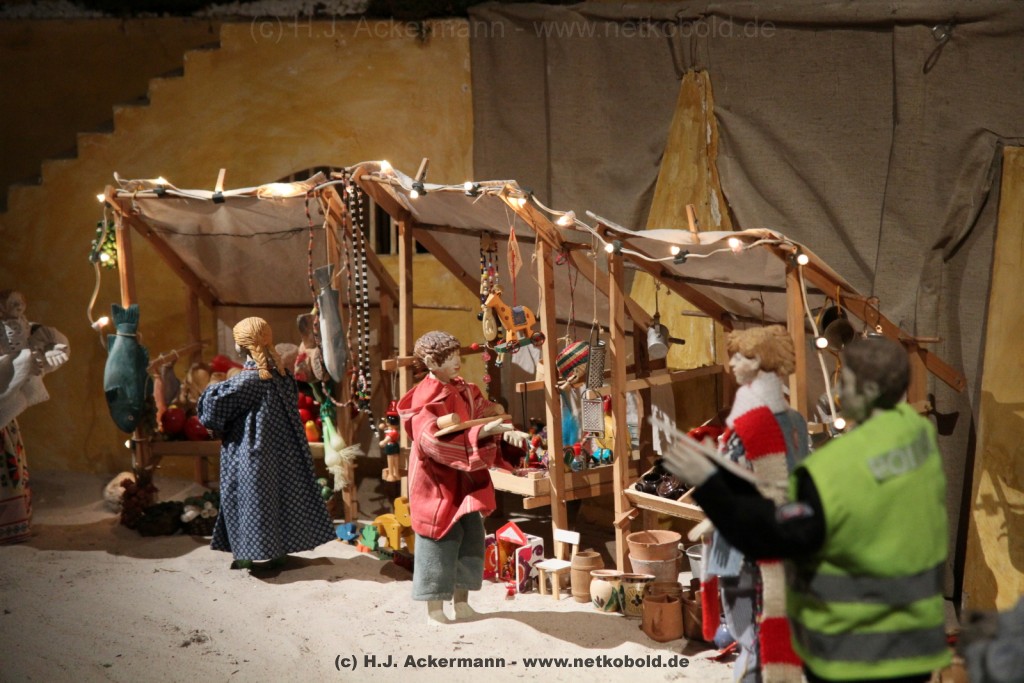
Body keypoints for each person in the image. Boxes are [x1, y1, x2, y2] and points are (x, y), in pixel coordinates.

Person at [663, 335, 950, 683]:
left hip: (851, 650)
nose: (838, 392)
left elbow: (773, 538)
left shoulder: (831, 470)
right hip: (915, 641)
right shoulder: (919, 437)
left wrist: (709, 484)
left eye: (845, 381)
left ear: (869, 390)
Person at [699, 325, 807, 683]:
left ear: (760, 361)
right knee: (769, 633)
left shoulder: (751, 423)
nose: (732, 363)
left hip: (745, 545)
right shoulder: (796, 422)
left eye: (740, 357)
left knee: (750, 633)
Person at [397, 331, 527, 624]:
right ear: (431, 363)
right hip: (437, 480)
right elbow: (430, 441)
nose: (457, 362)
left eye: (457, 355)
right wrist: (481, 432)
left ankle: (462, 602)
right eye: (449, 357)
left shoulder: (464, 389)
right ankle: (435, 609)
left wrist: (501, 424)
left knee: (471, 537)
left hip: (467, 479)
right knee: (438, 540)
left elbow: (483, 411)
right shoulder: (424, 398)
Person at [197, 317, 335, 570]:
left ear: (242, 346)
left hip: (250, 455)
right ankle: (279, 552)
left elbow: (215, 408)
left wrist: (211, 393)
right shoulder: (283, 377)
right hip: (282, 452)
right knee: (280, 497)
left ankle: (246, 554)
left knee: (248, 500)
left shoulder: (247, 381)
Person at [0, 290, 70, 544]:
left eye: (20, 303)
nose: (18, 308)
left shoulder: (26, 327)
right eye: (12, 304)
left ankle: (13, 523)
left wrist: (50, 348)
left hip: (6, 422)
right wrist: (21, 363)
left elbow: (44, 339)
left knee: (10, 464)